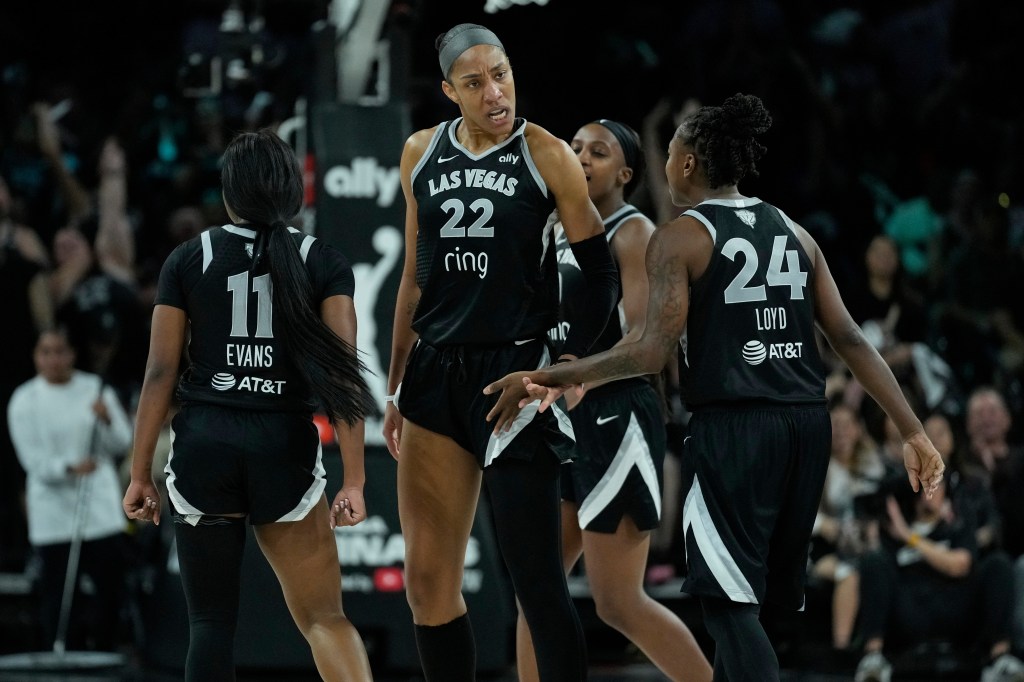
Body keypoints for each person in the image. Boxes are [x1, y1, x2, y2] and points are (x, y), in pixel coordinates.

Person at [484, 93, 945, 682]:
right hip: (806, 425)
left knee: (726, 607)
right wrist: (914, 431)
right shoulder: (795, 232)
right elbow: (851, 338)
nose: (668, 162)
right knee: (750, 605)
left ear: (686, 165)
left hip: (735, 429)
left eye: (671, 152)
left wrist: (556, 374)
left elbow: (649, 351)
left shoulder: (677, 237)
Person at [382, 23, 619, 682]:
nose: (495, 93)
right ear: (449, 91)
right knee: (428, 587)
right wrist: (398, 385)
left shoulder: (545, 153)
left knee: (537, 584)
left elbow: (599, 274)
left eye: (502, 74)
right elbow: (415, 275)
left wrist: (560, 365)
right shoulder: (419, 153)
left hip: (514, 374)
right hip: (436, 372)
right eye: (476, 82)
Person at [121, 128, 374, 682]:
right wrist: (353, 480)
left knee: (210, 623)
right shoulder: (322, 260)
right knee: (325, 619)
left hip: (205, 442)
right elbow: (342, 377)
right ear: (291, 191)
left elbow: (160, 371)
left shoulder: (189, 257)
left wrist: (140, 472)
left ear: (228, 193)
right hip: (281, 443)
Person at [515, 118, 711, 682]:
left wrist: (576, 378)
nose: (580, 157)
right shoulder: (554, 230)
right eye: (574, 148)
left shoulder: (634, 231)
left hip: (618, 414)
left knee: (618, 603)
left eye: (597, 152)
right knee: (539, 589)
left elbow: (646, 339)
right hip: (562, 421)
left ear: (624, 173)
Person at [7, 328, 132, 651]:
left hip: (98, 508)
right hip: (53, 512)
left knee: (109, 587)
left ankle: (105, 648)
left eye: (60, 351)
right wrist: (67, 467)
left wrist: (107, 420)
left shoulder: (94, 388)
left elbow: (123, 442)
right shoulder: (24, 399)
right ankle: (62, 651)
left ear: (72, 354)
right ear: (36, 356)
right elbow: (31, 460)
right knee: (59, 591)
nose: (54, 359)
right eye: (46, 352)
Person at [852, 476, 1024, 682]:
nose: (931, 492)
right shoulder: (891, 531)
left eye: (936, 485)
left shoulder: (957, 523)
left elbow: (959, 565)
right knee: (874, 561)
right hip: (911, 609)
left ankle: (1001, 658)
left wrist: (909, 537)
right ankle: (873, 659)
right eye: (924, 486)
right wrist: (876, 532)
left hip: (956, 606)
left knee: (999, 564)